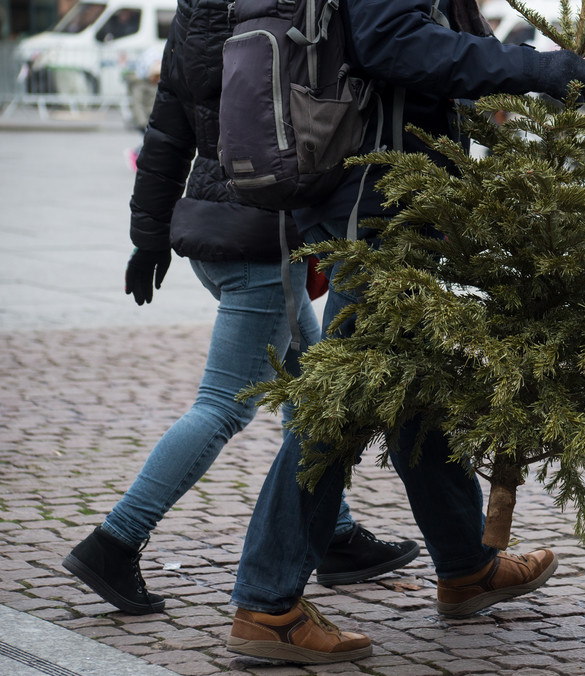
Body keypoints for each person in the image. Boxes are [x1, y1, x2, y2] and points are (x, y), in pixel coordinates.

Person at [225, 0, 585, 664]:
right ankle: (267, 603)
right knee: (339, 402)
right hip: (376, 202)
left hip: (387, 198)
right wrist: (534, 68)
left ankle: (465, 565)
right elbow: (396, 44)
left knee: (410, 385)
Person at [62, 0, 420, 617]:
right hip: (262, 237)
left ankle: (333, 536)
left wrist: (148, 236)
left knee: (310, 388)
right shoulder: (285, 11)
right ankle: (114, 541)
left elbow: (166, 127)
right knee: (224, 404)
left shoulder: (199, 12)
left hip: (215, 224)